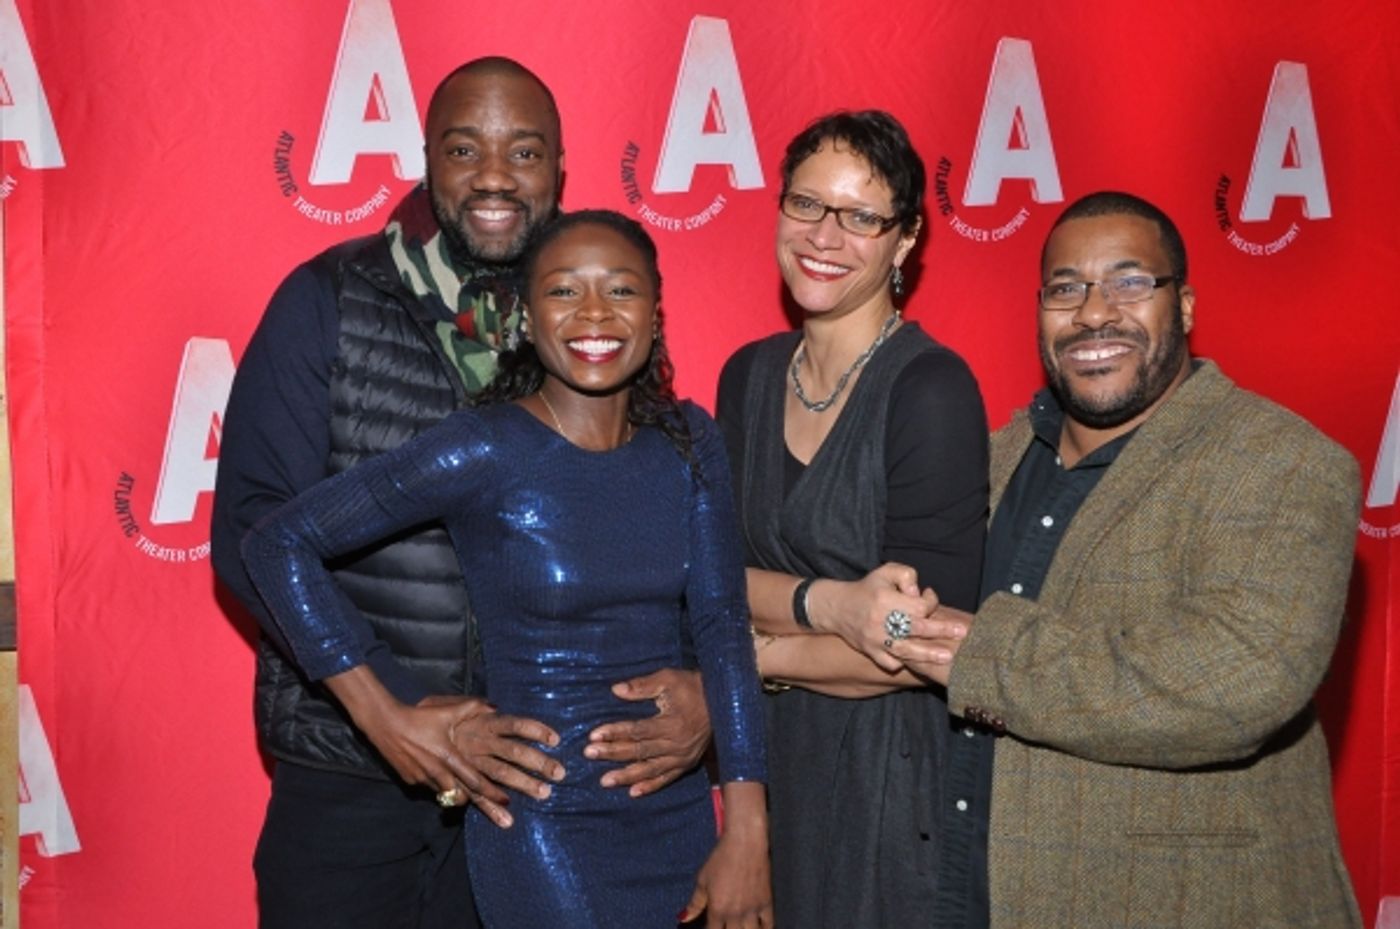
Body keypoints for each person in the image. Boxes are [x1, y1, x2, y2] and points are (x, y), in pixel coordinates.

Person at [210, 59, 711, 929]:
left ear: (560, 167)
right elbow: (251, 536)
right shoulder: (329, 300)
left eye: (523, 152)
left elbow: (653, 535)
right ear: (427, 161)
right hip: (354, 776)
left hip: (542, 794)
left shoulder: (587, 326)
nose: (492, 178)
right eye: (463, 149)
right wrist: (391, 710)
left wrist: (706, 687)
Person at [890, 191, 1363, 928]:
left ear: (1187, 306)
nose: (1093, 312)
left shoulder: (1282, 461)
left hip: (1182, 902)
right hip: (971, 896)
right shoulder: (987, 458)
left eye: (1130, 282)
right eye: (1065, 288)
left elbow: (1235, 680)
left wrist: (980, 654)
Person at [714, 110, 988, 927]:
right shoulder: (747, 377)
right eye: (807, 204)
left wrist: (754, 656)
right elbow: (706, 577)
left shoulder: (930, 390)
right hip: (762, 765)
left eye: (861, 216)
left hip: (886, 786)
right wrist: (832, 607)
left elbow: (916, 642)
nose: (825, 235)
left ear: (904, 243)